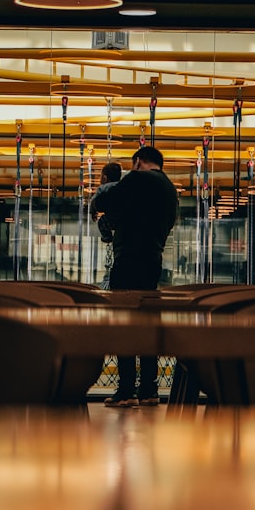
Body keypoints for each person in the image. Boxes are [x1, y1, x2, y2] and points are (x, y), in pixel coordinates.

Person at [91, 145, 178, 407]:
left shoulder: (138, 178)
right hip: (152, 260)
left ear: (138, 161)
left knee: (125, 325)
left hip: (128, 260)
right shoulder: (169, 189)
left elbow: (104, 200)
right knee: (147, 325)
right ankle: (149, 390)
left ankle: (126, 389)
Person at [90, 161, 122, 289]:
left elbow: (94, 201)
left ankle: (107, 236)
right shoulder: (122, 186)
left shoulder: (103, 188)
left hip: (109, 217)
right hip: (120, 218)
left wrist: (93, 211)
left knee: (101, 222)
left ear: (104, 178)